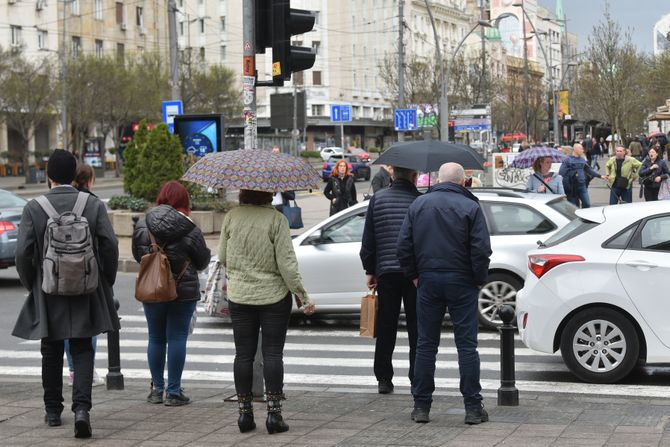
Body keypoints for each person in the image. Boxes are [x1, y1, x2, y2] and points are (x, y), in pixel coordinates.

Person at [12, 149, 119, 438]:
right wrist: (105, 279)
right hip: (86, 287)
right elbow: (109, 245)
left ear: (48, 175)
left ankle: (52, 411)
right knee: (82, 347)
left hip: (49, 289)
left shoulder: (34, 207)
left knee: (51, 348)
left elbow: (23, 252)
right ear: (74, 174)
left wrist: (32, 282)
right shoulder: (92, 205)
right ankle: (82, 410)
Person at [397, 163, 492, 426]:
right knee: (467, 346)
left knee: (426, 345)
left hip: (428, 279)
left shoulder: (418, 205)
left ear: (439, 179)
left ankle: (421, 406)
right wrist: (477, 279)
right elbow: (481, 249)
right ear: (463, 182)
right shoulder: (471, 207)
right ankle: (473, 407)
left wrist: (414, 275)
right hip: (462, 280)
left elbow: (403, 245)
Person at [218, 189, 316, 434]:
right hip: (273, 296)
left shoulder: (232, 217)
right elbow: (286, 263)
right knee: (272, 354)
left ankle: (244, 415)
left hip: (239, 296)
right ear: (268, 195)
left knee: (243, 355)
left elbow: (221, 256)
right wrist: (302, 295)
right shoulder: (276, 220)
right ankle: (274, 415)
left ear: (243, 194)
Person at [132, 181, 211, 407]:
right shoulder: (190, 227)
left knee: (155, 337)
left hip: (152, 287)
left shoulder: (142, 224)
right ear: (183, 202)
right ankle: (174, 392)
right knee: (177, 337)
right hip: (182, 290)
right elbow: (203, 261)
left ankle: (157, 389)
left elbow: (139, 256)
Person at [360, 166, 421, 395]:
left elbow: (369, 238)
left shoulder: (378, 199)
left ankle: (384, 378)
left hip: (386, 271)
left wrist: (370, 269)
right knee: (417, 327)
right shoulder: (419, 200)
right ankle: (416, 377)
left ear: (392, 175)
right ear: (414, 176)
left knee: (386, 326)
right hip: (414, 273)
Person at [64, 163, 104, 388]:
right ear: (90, 180)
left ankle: (72, 371)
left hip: (63, 272)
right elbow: (107, 242)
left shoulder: (65, 201)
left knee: (69, 326)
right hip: (89, 272)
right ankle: (87, 371)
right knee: (89, 326)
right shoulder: (93, 203)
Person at [559, 143, 606, 208]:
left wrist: (600, 176)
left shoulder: (582, 159)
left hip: (582, 185)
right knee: (573, 207)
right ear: (575, 149)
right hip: (572, 187)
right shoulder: (567, 160)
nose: (583, 150)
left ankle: (583, 215)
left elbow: (589, 169)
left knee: (587, 204)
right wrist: (572, 173)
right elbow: (561, 172)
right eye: (581, 149)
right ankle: (577, 217)